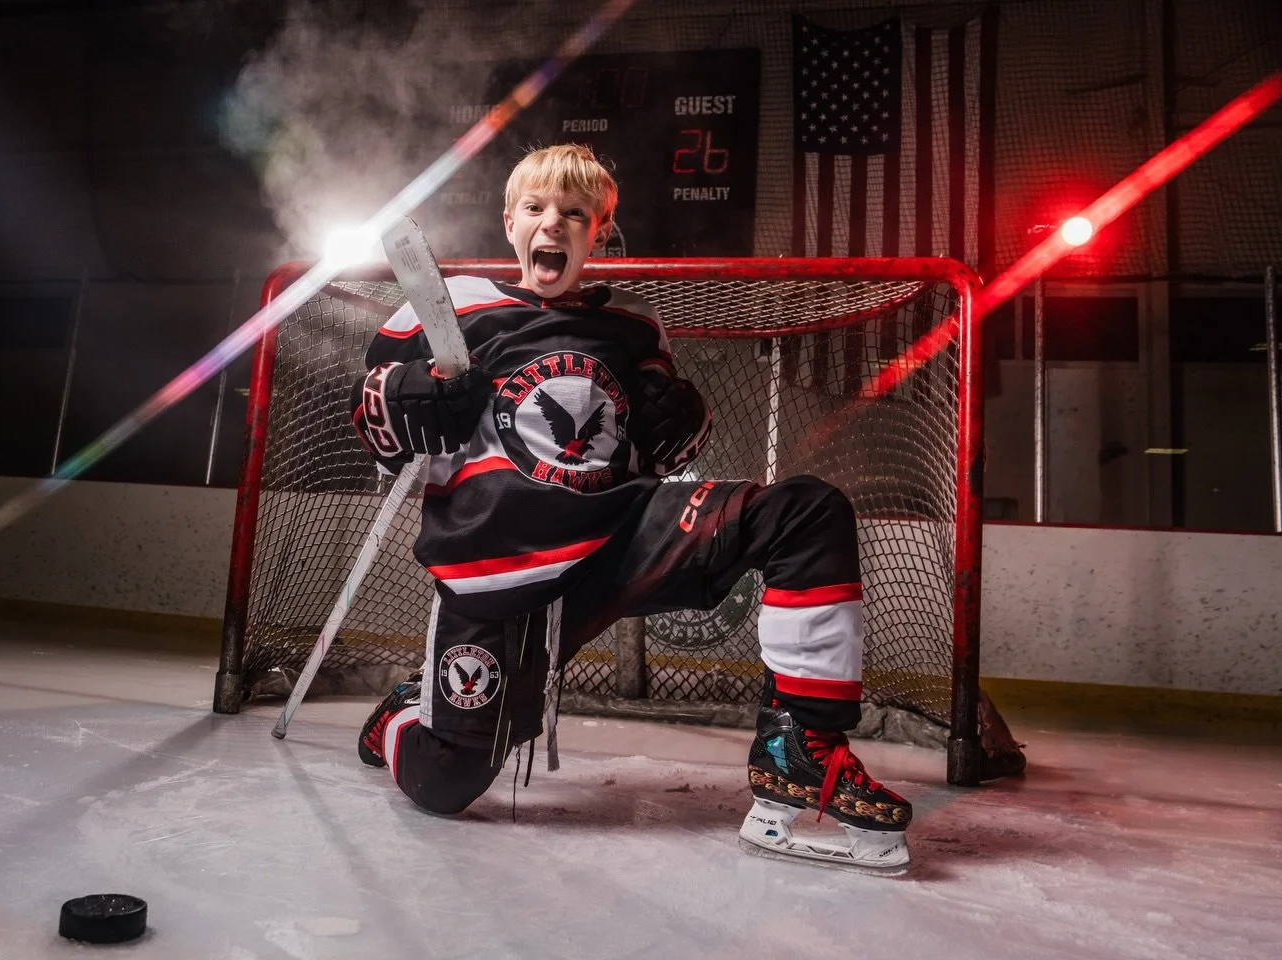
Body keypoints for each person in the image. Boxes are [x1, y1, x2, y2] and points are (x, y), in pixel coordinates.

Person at [348, 143, 911, 873]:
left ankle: (803, 751)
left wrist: (680, 417)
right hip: (501, 569)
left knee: (803, 513)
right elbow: (379, 439)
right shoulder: (451, 310)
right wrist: (403, 400)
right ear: (511, 222)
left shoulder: (634, 326)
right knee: (445, 782)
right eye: (538, 209)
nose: (555, 224)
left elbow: (663, 455)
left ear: (601, 232)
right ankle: (404, 717)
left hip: (622, 537)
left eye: (575, 214)